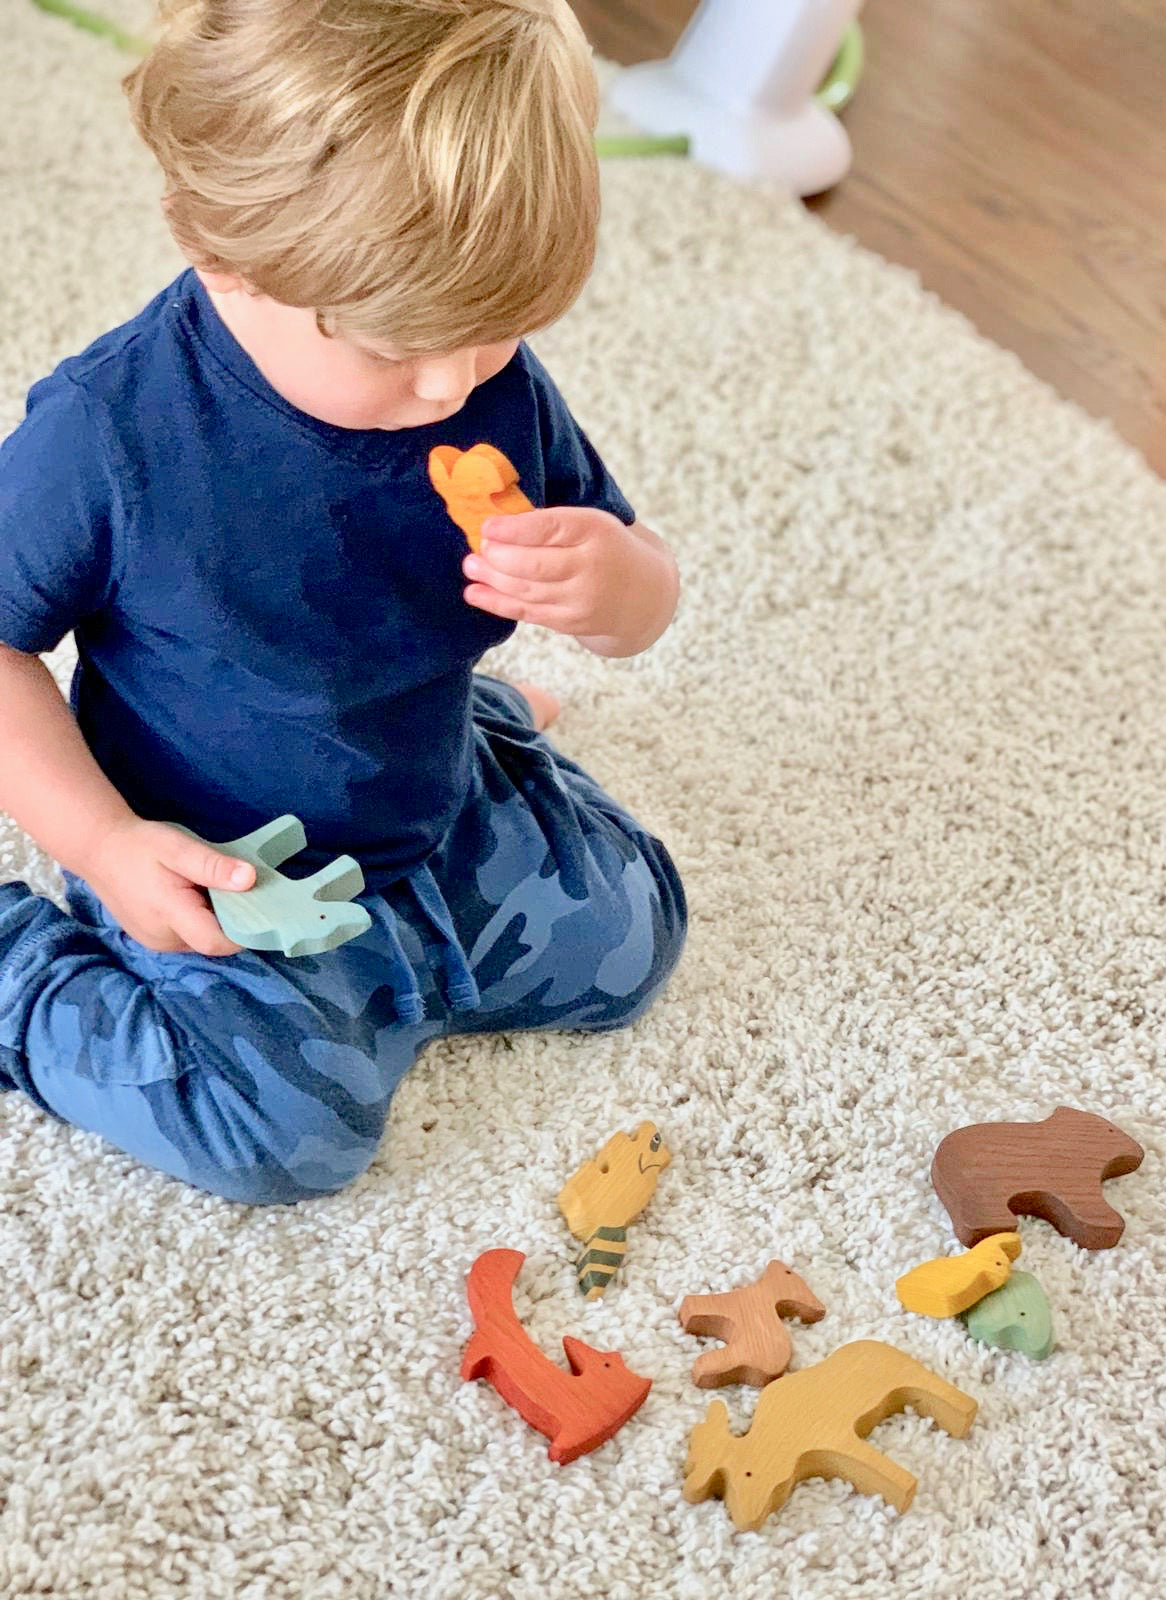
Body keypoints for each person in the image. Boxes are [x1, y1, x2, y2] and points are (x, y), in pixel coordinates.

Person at [0, 0, 686, 1205]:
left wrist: (619, 584)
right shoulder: (108, 435)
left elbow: (632, 580)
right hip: (222, 864)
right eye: (394, 344)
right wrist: (103, 845)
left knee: (635, 941)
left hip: (424, 792)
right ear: (220, 251)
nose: (449, 382)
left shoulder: (483, 375)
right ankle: (21, 976)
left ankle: (487, 735)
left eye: (492, 332)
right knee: (278, 1139)